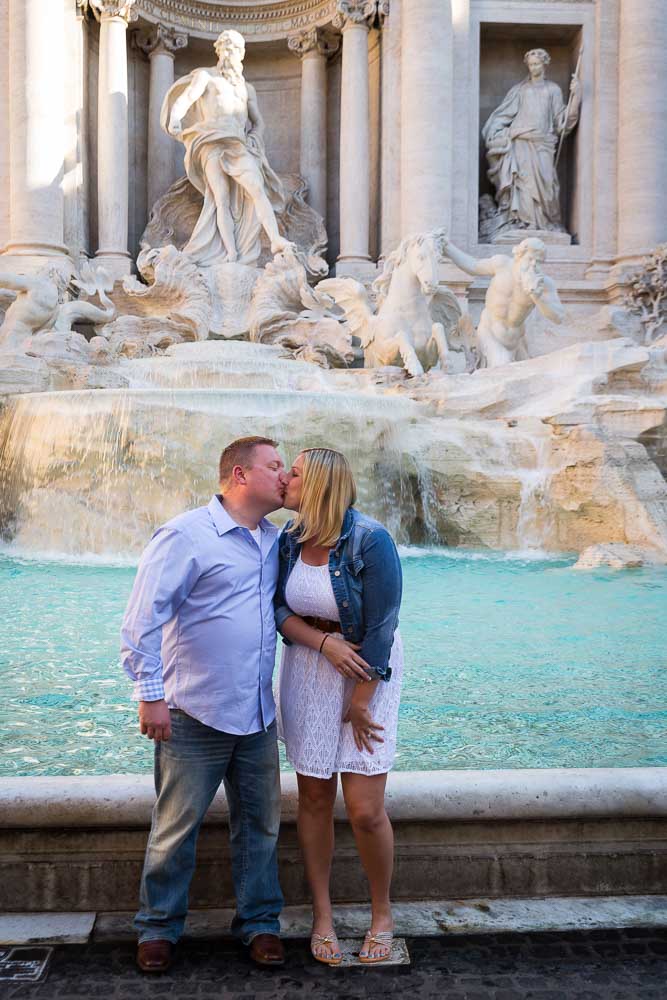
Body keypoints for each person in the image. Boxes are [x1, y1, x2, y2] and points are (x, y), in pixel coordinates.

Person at [121, 436, 290, 973]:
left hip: (258, 712)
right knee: (175, 827)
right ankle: (158, 928)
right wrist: (150, 696)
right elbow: (142, 620)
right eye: (275, 465)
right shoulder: (186, 534)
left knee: (260, 826)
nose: (285, 475)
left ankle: (260, 924)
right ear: (240, 475)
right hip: (195, 710)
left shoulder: (275, 539)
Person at [274, 448, 403, 965]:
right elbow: (278, 609)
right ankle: (322, 915)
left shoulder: (370, 540)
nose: (285, 478)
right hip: (309, 668)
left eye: (296, 473)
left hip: (368, 674)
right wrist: (321, 643)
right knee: (315, 799)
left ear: (321, 485)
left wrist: (362, 697)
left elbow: (382, 625)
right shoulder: (287, 541)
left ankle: (382, 914)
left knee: (367, 809)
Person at [161, 29, 293, 266]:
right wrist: (175, 118)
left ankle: (275, 240)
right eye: (227, 48)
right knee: (220, 199)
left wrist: (255, 136)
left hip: (237, 144)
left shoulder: (246, 88)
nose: (231, 53)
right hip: (210, 142)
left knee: (257, 188)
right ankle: (231, 253)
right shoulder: (206, 77)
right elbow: (188, 97)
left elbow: (259, 122)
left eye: (236, 49)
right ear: (219, 51)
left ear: (242, 54)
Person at [482, 48, 581, 233]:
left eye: (537, 64)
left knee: (547, 184)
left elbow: (562, 122)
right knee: (522, 184)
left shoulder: (553, 90)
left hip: (543, 143)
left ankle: (546, 223)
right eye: (531, 65)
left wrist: (576, 98)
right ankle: (522, 222)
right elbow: (502, 116)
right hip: (520, 142)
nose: (533, 68)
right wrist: (499, 133)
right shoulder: (520, 90)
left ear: (545, 64)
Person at [441, 235, 565, 367]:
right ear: (519, 255)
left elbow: (558, 317)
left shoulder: (544, 284)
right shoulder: (501, 264)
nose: (533, 265)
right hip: (490, 331)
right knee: (502, 366)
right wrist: (447, 248)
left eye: (539, 262)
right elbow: (473, 266)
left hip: (516, 340)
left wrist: (537, 297)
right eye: (530, 259)